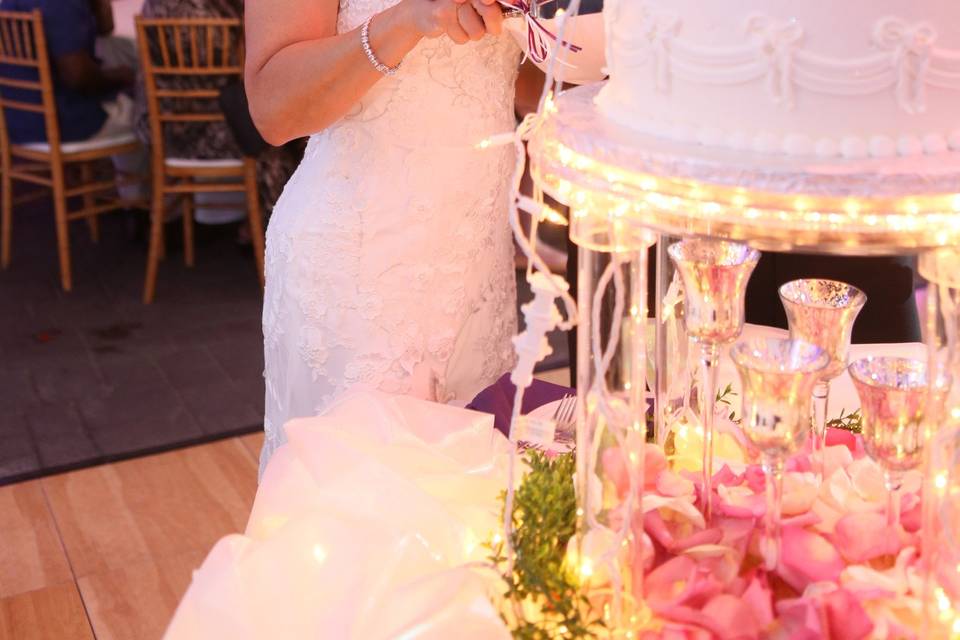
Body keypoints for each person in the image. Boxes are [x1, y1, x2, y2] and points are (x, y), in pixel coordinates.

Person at [247, 0, 523, 474]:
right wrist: (410, 18)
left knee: (471, 511)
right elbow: (274, 110)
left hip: (478, 268)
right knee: (361, 512)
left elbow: (527, 80)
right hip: (362, 273)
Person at [132, 0, 301, 219]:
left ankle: (268, 228)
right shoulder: (201, 14)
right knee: (279, 135)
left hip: (163, 122)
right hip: (190, 129)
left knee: (287, 123)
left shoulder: (156, 5)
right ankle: (278, 229)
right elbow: (244, 72)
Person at [0, 0, 146, 200]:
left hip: (17, 124)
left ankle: (133, 199)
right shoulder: (62, 4)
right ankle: (154, 212)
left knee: (119, 56)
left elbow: (105, 28)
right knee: (154, 112)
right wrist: (121, 76)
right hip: (67, 125)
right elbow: (78, 76)